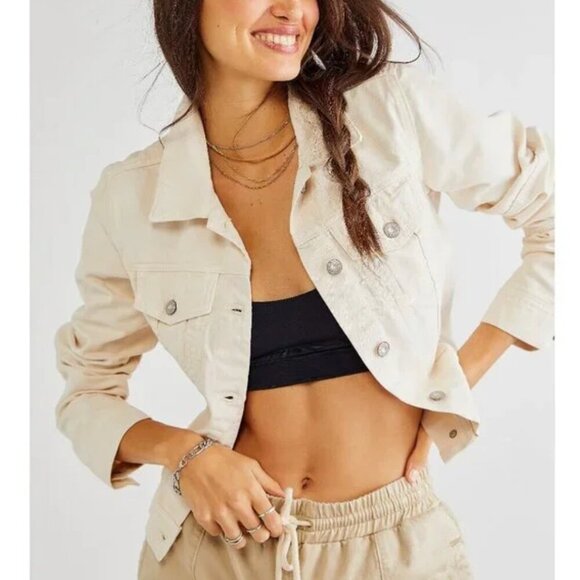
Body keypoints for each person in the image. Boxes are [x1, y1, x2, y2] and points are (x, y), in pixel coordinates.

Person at [53, 1, 554, 579]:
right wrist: (186, 455)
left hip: (392, 549)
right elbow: (87, 392)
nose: (292, 9)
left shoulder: (389, 113)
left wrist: (453, 382)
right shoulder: (132, 197)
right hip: (212, 554)